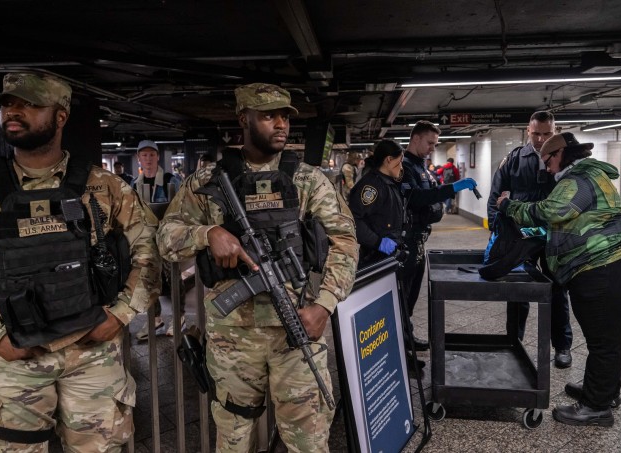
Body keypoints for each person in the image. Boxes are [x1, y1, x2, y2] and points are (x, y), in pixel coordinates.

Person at [0, 72, 161, 451]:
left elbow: (149, 253)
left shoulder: (107, 187)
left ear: (61, 116)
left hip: (93, 356)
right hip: (12, 359)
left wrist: (119, 313)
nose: (12, 112)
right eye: (6, 104)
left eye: (29, 104)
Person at [156, 82, 358, 451]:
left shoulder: (308, 179)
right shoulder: (207, 181)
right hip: (232, 338)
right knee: (233, 439)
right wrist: (208, 233)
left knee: (309, 439)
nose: (280, 124)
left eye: (284, 116)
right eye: (268, 116)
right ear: (243, 119)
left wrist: (325, 304)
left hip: (297, 328)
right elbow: (166, 238)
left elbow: (345, 242)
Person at [497, 132, 621, 427]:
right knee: (607, 337)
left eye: (547, 162)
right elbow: (575, 220)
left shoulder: (577, 179)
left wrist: (510, 206)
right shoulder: (591, 174)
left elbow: (554, 211)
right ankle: (603, 391)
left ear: (559, 154)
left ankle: (596, 407)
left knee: (603, 341)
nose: (546, 169)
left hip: (603, 268)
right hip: (616, 266)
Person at [487, 111, 573, 369]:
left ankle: (563, 346)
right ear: (528, 131)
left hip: (553, 236)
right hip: (520, 235)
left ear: (555, 131)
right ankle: (515, 340)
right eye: (536, 133)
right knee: (517, 290)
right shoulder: (513, 159)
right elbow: (494, 197)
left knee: (557, 289)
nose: (540, 139)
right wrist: (498, 229)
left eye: (547, 134)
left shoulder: (566, 159)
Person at [402, 120, 477, 351]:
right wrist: (452, 188)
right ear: (416, 139)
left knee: (412, 293)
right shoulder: (405, 167)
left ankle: (406, 333)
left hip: (420, 238)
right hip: (407, 240)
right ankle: (401, 340)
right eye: (430, 143)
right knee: (403, 293)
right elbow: (417, 198)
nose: (433, 149)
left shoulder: (421, 167)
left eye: (435, 145)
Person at [132, 139, 182, 339]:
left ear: (158, 156)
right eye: (144, 155)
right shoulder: (135, 184)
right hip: (146, 239)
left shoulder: (172, 180)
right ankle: (156, 318)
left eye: (152, 155)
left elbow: (181, 207)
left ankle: (180, 316)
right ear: (139, 159)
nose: (148, 159)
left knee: (173, 276)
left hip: (168, 238)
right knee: (149, 278)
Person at [349, 139, 407, 267]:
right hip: (375, 256)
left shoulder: (388, 183)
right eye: (400, 161)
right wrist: (378, 242)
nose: (401, 166)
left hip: (388, 254)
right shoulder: (372, 186)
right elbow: (353, 219)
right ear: (389, 160)